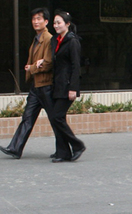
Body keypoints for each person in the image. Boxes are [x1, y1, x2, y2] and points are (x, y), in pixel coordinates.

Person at [0, 8, 54, 159]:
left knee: (55, 120)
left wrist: (31, 68)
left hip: (46, 86)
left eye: (39, 19)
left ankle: (67, 148)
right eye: (33, 19)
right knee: (27, 117)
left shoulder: (48, 39)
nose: (35, 22)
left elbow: (48, 63)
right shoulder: (36, 39)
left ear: (46, 22)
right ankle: (15, 148)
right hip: (36, 87)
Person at [49, 10, 86, 163]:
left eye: (59, 22)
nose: (56, 25)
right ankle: (63, 152)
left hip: (67, 86)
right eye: (55, 22)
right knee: (58, 117)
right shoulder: (55, 40)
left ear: (68, 24)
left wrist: (73, 88)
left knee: (56, 116)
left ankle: (77, 145)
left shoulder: (72, 41)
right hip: (57, 85)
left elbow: (76, 66)